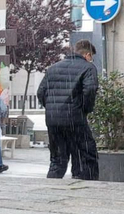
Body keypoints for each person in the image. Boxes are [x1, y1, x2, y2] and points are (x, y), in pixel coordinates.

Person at [37, 40, 101, 180]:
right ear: (87, 55)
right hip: (75, 119)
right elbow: (90, 90)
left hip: (53, 121)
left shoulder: (53, 68)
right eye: (92, 57)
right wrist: (84, 109)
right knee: (85, 156)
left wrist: (53, 109)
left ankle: (51, 188)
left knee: (57, 159)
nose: (91, 60)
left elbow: (40, 92)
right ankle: (84, 188)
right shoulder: (88, 68)